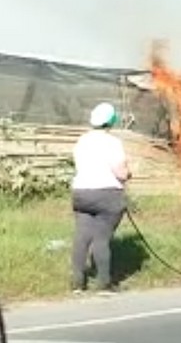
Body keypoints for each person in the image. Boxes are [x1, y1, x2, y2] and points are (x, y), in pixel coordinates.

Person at [70, 101, 132, 295]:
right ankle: (104, 284)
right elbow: (120, 173)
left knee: (82, 236)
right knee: (101, 238)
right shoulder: (112, 143)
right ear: (111, 121)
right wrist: (128, 174)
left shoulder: (82, 141)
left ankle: (77, 283)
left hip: (81, 193)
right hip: (106, 195)